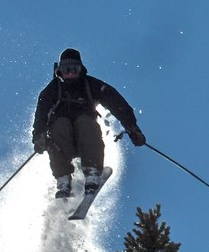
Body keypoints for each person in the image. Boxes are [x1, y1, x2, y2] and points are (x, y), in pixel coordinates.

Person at [32, 48, 146, 198]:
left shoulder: (91, 85)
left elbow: (117, 103)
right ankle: (63, 178)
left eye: (74, 69)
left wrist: (132, 127)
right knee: (59, 124)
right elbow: (41, 115)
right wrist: (39, 136)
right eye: (66, 69)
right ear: (59, 71)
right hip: (62, 141)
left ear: (81, 70)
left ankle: (92, 171)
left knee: (86, 122)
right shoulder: (52, 90)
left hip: (86, 138)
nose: (70, 73)